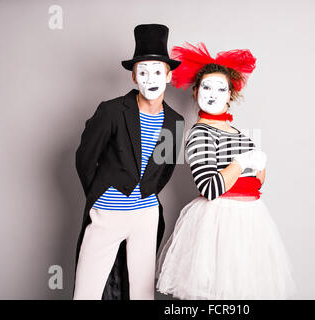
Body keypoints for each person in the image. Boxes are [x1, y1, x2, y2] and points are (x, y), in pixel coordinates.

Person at [155, 42, 296, 300]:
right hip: (218, 223)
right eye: (206, 87)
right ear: (196, 91)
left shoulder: (239, 133)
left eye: (221, 89)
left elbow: (257, 182)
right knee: (216, 294)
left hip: (251, 222)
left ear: (231, 94)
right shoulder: (199, 133)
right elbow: (211, 188)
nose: (213, 94)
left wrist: (253, 165)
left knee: (243, 291)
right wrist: (242, 163)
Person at [73, 24, 185, 300]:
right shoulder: (111, 111)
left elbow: (164, 169)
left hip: (146, 216)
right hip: (107, 212)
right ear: (134, 77)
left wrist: (144, 195)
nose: (151, 78)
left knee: (142, 292)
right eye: (143, 72)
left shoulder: (175, 122)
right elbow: (85, 159)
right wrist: (101, 195)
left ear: (169, 76)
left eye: (158, 71)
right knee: (87, 291)